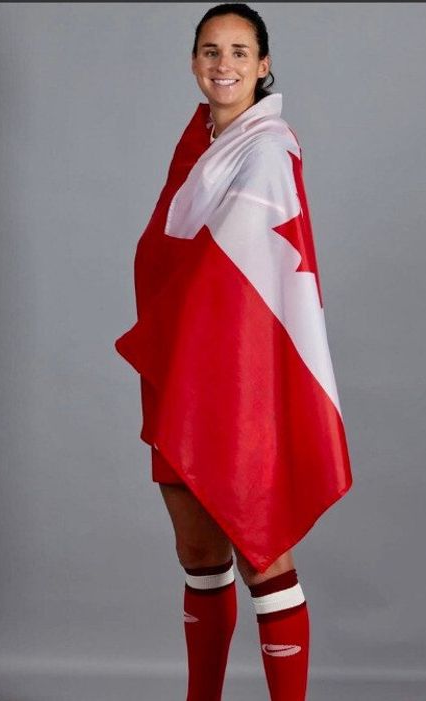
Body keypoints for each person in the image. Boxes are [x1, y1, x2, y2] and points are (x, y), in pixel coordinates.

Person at [114, 5, 352, 701]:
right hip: (182, 364)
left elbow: (246, 270)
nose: (224, 64)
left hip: (240, 371)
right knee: (197, 553)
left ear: (262, 65)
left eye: (239, 52)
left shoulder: (267, 147)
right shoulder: (199, 142)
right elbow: (168, 255)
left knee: (261, 541)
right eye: (211, 51)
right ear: (194, 64)